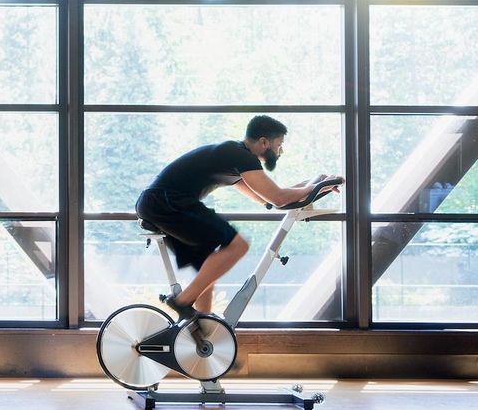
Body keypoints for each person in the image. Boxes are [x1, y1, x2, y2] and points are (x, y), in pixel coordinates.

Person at [134, 115, 342, 320]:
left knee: (210, 265)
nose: (280, 152)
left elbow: (267, 199)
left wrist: (315, 185)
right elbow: (279, 198)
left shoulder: (234, 158)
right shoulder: (240, 156)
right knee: (239, 245)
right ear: (264, 142)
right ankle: (181, 302)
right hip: (165, 201)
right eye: (279, 145)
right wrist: (316, 187)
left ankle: (201, 329)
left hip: (160, 203)